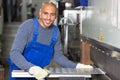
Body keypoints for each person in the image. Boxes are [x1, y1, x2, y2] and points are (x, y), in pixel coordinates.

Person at [8, 1, 93, 80]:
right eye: (45, 13)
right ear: (40, 13)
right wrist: (32, 68)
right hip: (20, 74)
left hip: (39, 75)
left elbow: (58, 57)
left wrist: (77, 66)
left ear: (56, 16)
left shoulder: (55, 32)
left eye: (52, 14)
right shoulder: (28, 26)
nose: (48, 18)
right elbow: (14, 53)